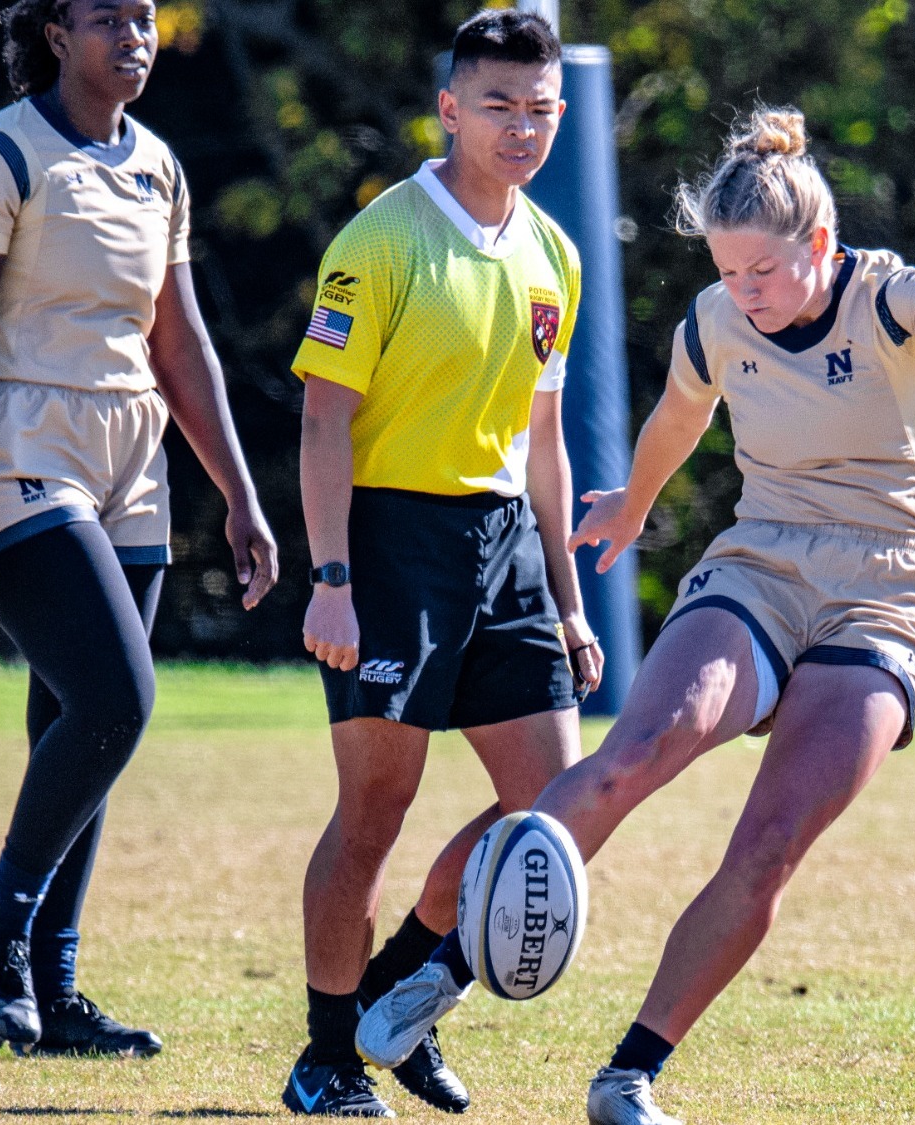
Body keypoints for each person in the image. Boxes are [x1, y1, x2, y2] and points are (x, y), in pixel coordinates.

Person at [355, 106, 915, 1124]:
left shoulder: (886, 299)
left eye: (762, 273)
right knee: (635, 752)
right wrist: (637, 502)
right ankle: (440, 976)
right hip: (759, 564)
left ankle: (627, 1077)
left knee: (769, 842)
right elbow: (678, 417)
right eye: (727, 272)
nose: (742, 293)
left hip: (882, 591)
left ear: (818, 246)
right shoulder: (712, 320)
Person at [0, 0, 278, 1057]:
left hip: (133, 460)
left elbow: (183, 346)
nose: (133, 37)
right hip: (25, 444)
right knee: (118, 697)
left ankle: (55, 991)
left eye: (144, 16)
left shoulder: (158, 166)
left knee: (71, 729)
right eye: (105, 19)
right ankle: (0, 933)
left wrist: (241, 495)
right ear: (52, 33)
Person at [279, 9, 605, 1116]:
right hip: (389, 543)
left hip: (507, 540)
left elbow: (546, 445)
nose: (521, 128)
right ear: (450, 110)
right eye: (498, 105)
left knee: (555, 807)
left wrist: (567, 600)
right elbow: (323, 422)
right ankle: (327, 1059)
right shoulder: (379, 243)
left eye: (540, 108)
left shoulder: (554, 256)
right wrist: (331, 580)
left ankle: (400, 996)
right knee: (375, 810)